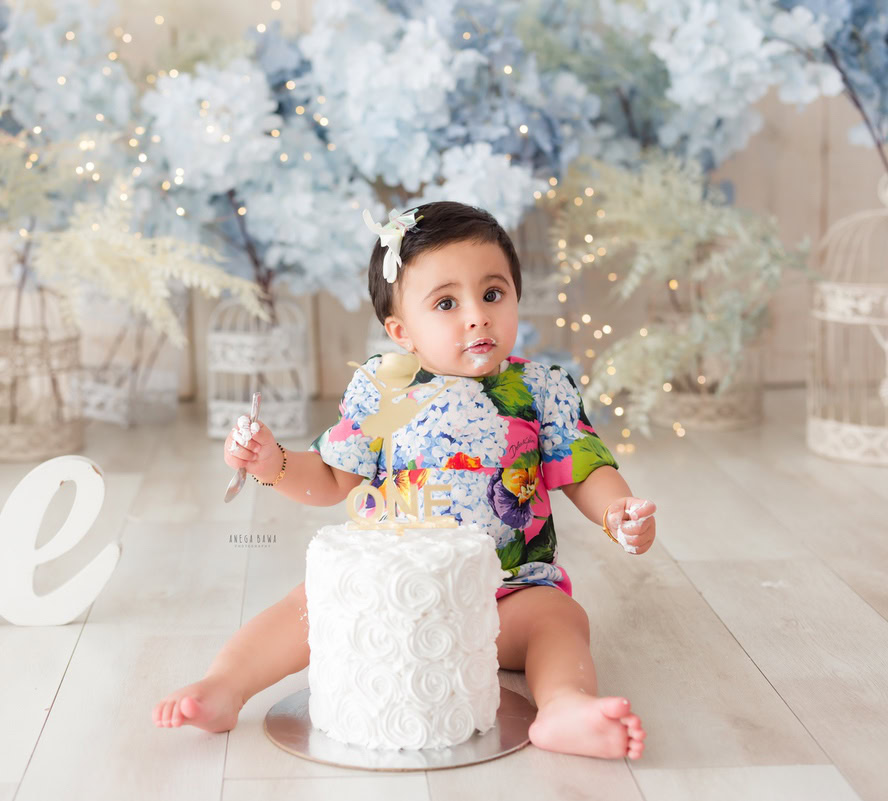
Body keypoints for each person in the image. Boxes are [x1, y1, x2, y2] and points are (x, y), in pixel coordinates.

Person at [152, 201, 651, 760]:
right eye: (446, 303)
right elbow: (331, 477)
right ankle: (224, 687)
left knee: (560, 619)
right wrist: (275, 464)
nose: (477, 316)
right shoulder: (384, 388)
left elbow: (585, 467)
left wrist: (618, 511)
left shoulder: (540, 388)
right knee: (310, 606)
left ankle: (563, 705)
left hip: (504, 596)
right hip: (389, 593)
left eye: (492, 294)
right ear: (401, 330)